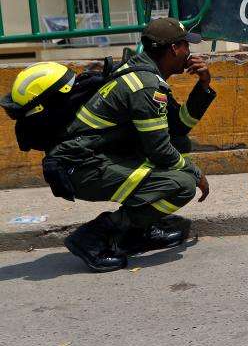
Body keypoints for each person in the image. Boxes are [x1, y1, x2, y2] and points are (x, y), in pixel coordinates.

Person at [44, 17, 215, 272]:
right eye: (185, 45)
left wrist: (203, 86)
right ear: (173, 49)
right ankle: (93, 236)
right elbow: (159, 151)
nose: (189, 52)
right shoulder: (144, 86)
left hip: (94, 159)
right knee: (182, 185)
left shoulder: (145, 77)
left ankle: (137, 233)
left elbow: (177, 128)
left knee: (180, 144)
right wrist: (195, 172)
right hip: (82, 168)